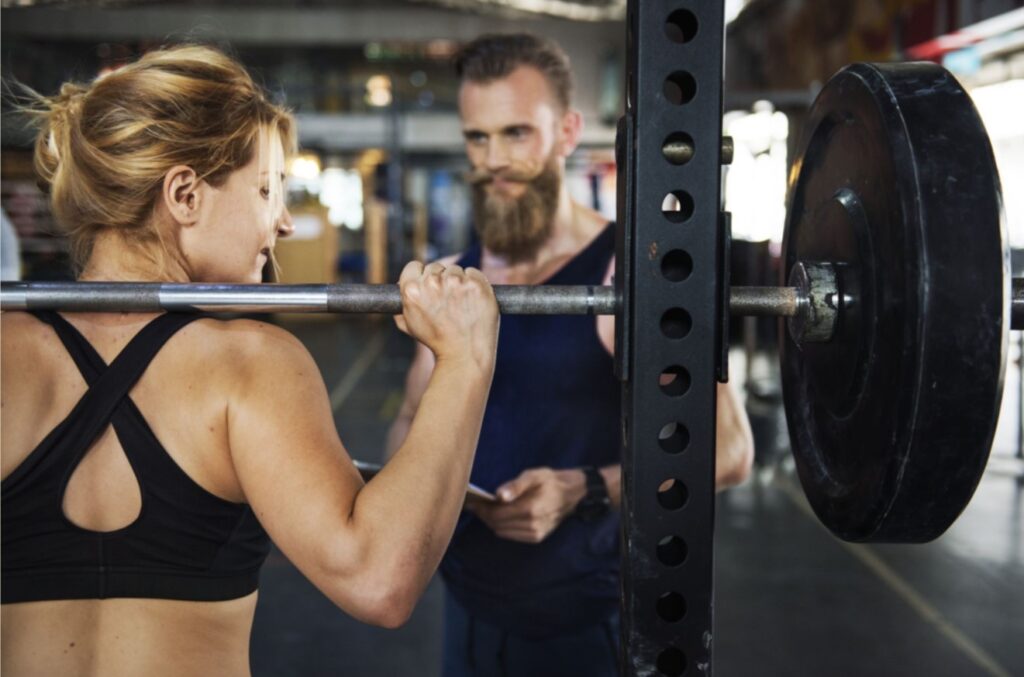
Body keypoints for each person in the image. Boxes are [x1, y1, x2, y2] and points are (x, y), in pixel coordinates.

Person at [0, 45, 499, 677]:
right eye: (268, 189)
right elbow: (379, 579)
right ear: (185, 194)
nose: (284, 222)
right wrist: (465, 358)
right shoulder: (250, 365)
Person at [386, 33, 755, 677]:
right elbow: (410, 417)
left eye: (517, 133)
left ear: (568, 132)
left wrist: (583, 489)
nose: (495, 159)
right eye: (478, 137)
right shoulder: (454, 275)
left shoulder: (631, 276)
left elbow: (729, 450)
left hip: (581, 625)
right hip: (466, 609)